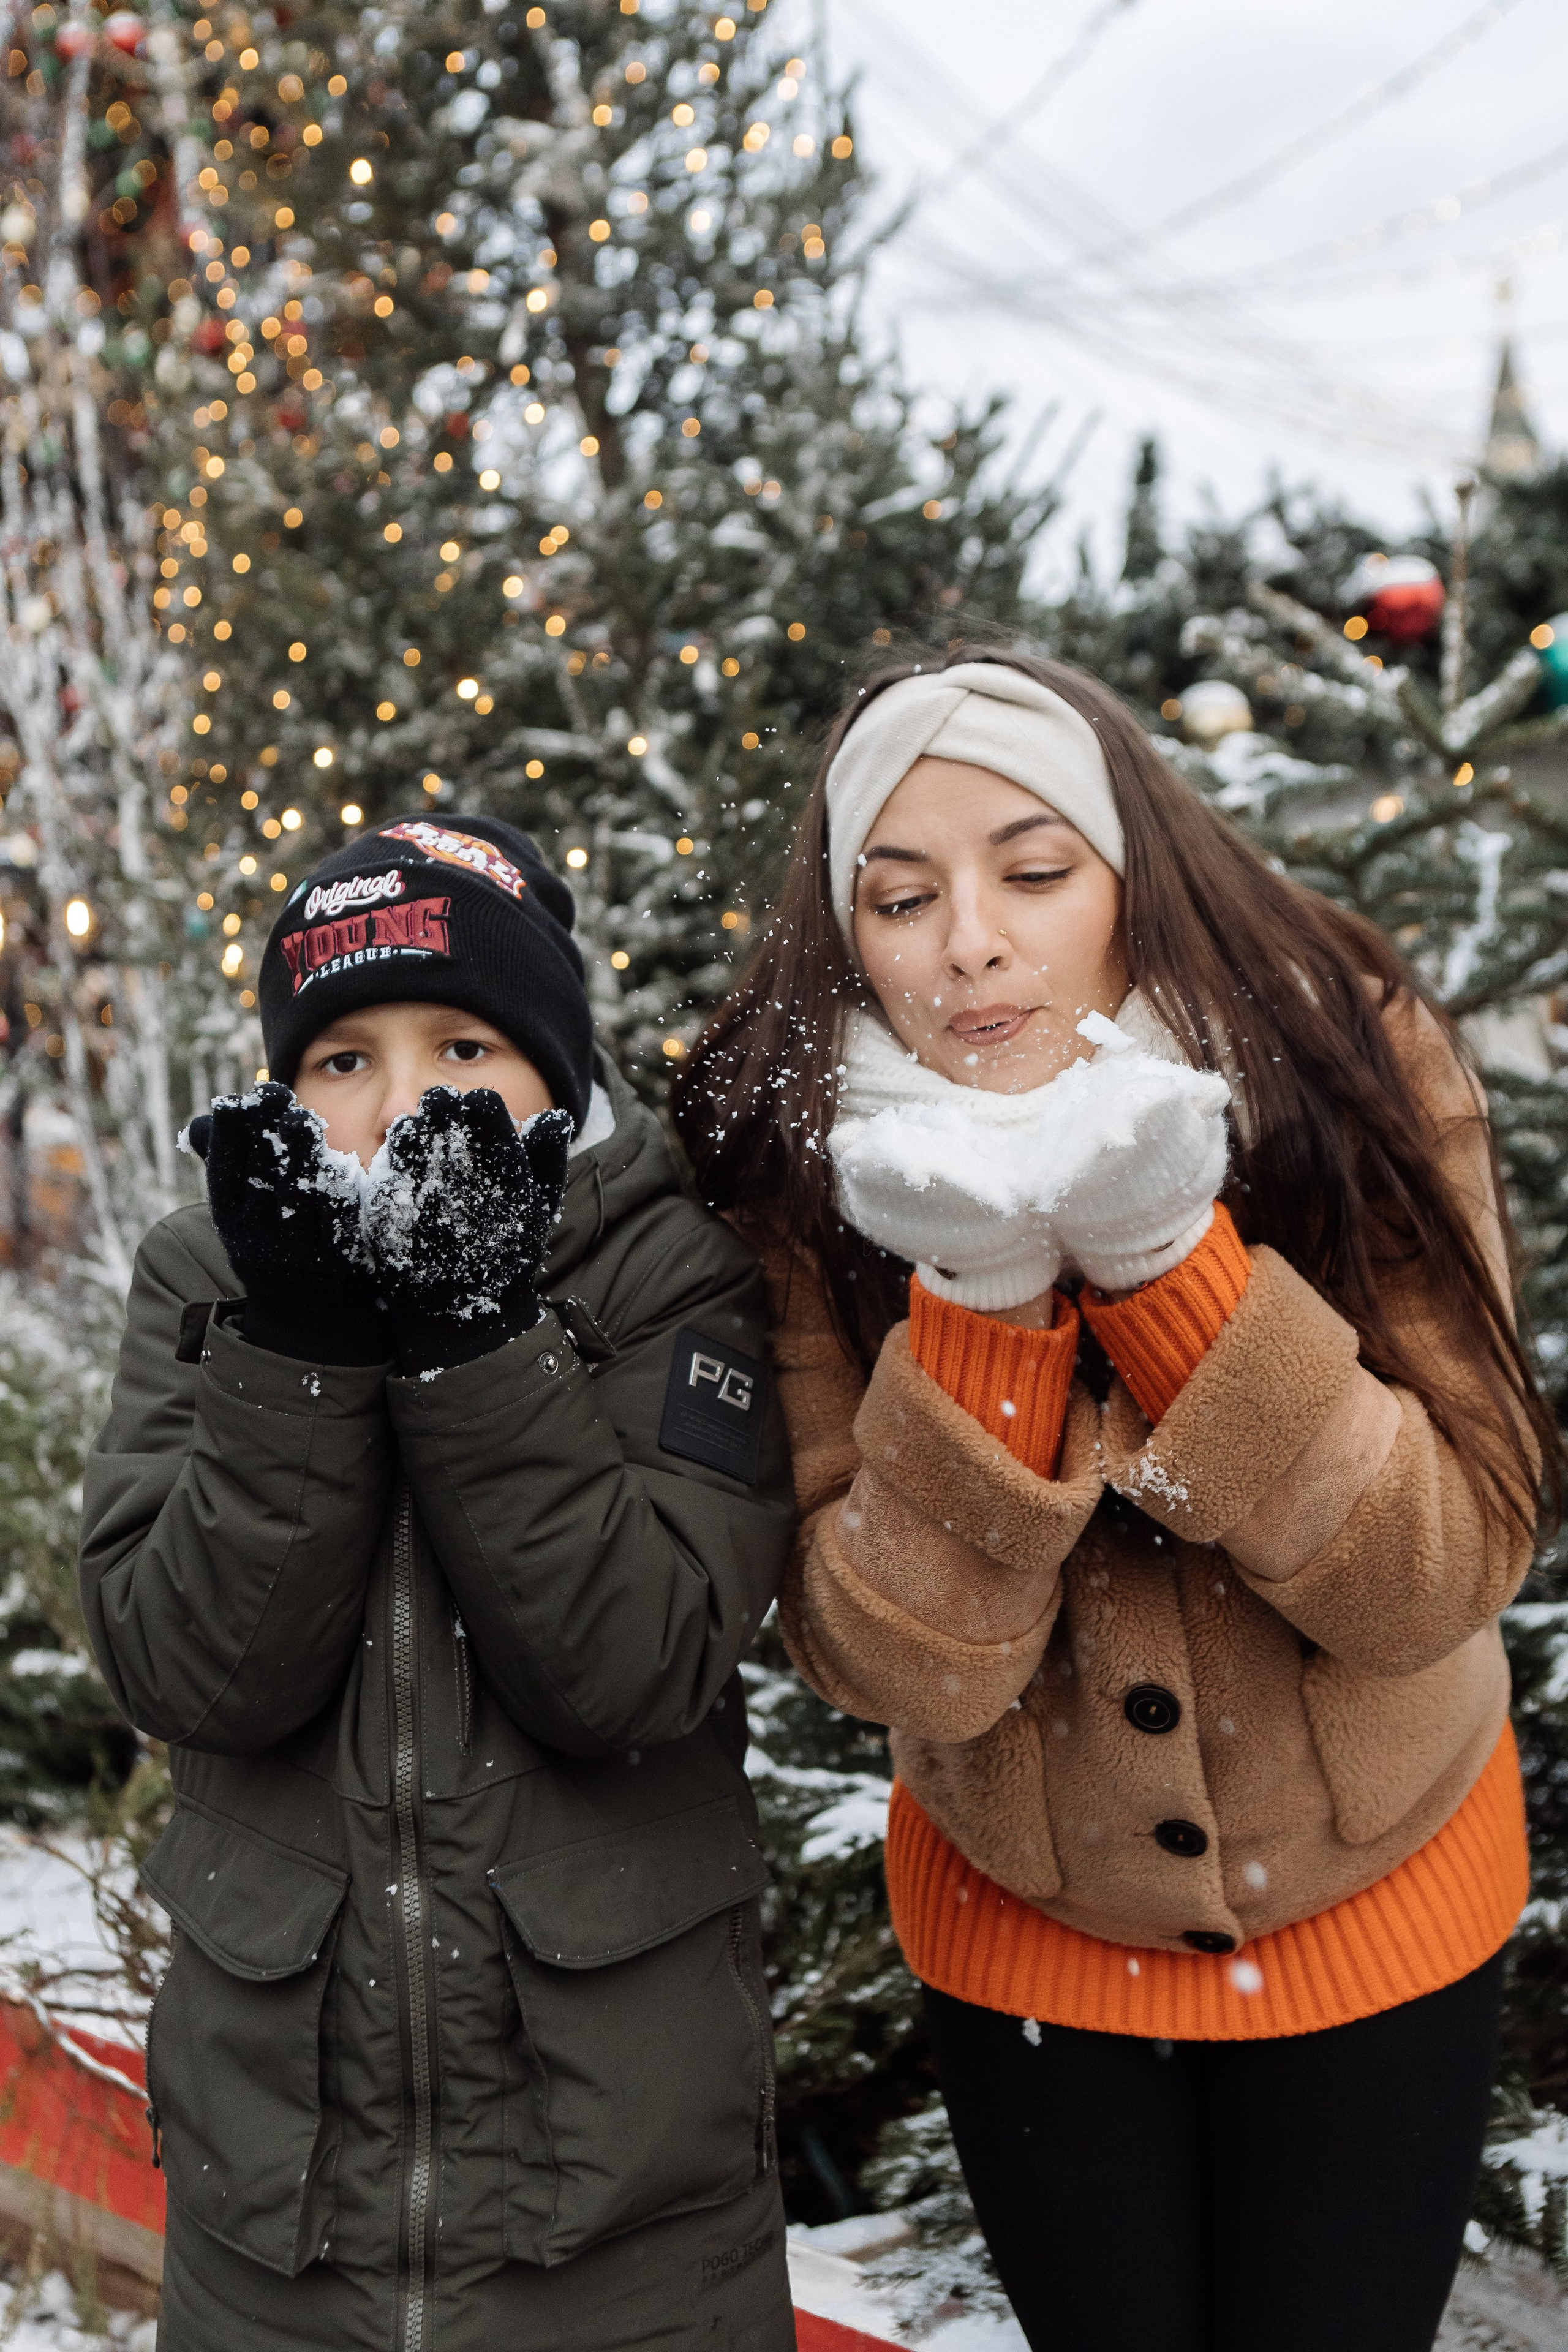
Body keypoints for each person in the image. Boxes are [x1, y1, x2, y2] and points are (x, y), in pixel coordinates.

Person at [673, 650, 1559, 2352]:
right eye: (902, 894)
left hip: (1379, 1903)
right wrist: (982, 1308)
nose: (970, 945)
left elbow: (1438, 1571)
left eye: (1033, 869)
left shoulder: (1351, 1062)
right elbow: (895, 1667)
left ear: (1132, 873)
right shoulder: (806, 1166)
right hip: (1033, 1942)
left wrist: (1170, 1270)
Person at [80, 814, 797, 2352]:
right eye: (343, 1060)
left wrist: (470, 1338)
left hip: (617, 2233)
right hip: (279, 2232)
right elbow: (188, 1671)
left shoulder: (673, 1267)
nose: (405, 1104)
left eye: (465, 1044)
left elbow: (632, 1670)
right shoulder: (210, 1280)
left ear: (557, 1068)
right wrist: (306, 1354)